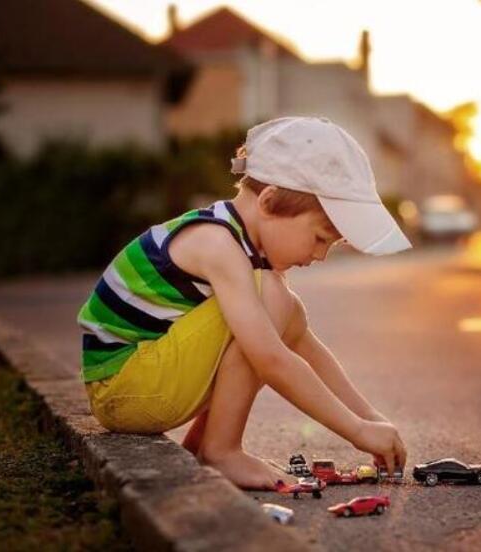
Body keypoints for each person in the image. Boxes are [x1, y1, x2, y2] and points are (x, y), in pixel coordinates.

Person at [77, 117, 410, 489]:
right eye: (319, 238)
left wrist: (372, 419)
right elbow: (269, 359)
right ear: (268, 202)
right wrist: (356, 431)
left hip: (142, 383)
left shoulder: (239, 247)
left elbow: (305, 347)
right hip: (126, 390)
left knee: (285, 309)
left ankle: (208, 444)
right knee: (273, 300)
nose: (320, 256)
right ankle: (222, 451)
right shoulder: (216, 243)